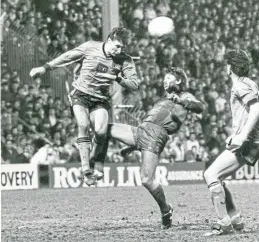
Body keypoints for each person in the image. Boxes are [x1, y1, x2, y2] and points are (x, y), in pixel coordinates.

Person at [29, 27, 139, 185]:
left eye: (122, 48)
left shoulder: (125, 59)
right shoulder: (90, 47)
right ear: (108, 41)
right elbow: (68, 57)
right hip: (80, 94)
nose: (119, 50)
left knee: (101, 132)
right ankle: (86, 168)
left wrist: (118, 78)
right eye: (117, 46)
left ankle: (96, 162)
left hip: (100, 99)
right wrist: (45, 68)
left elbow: (134, 84)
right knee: (83, 124)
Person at [105, 67, 204, 229]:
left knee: (146, 179)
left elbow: (200, 107)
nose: (165, 80)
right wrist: (133, 147)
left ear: (178, 81)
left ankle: (165, 209)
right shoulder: (163, 99)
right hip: (141, 130)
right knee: (105, 129)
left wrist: (181, 101)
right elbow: (151, 123)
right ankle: (93, 166)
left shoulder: (183, 96)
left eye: (169, 78)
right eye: (164, 78)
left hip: (156, 136)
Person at [204, 50, 259, 236]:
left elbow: (257, 109)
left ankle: (224, 224)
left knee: (211, 175)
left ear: (230, 67)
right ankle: (235, 219)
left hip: (247, 142)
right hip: (251, 140)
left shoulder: (239, 85)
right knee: (217, 177)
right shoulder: (249, 83)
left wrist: (241, 135)